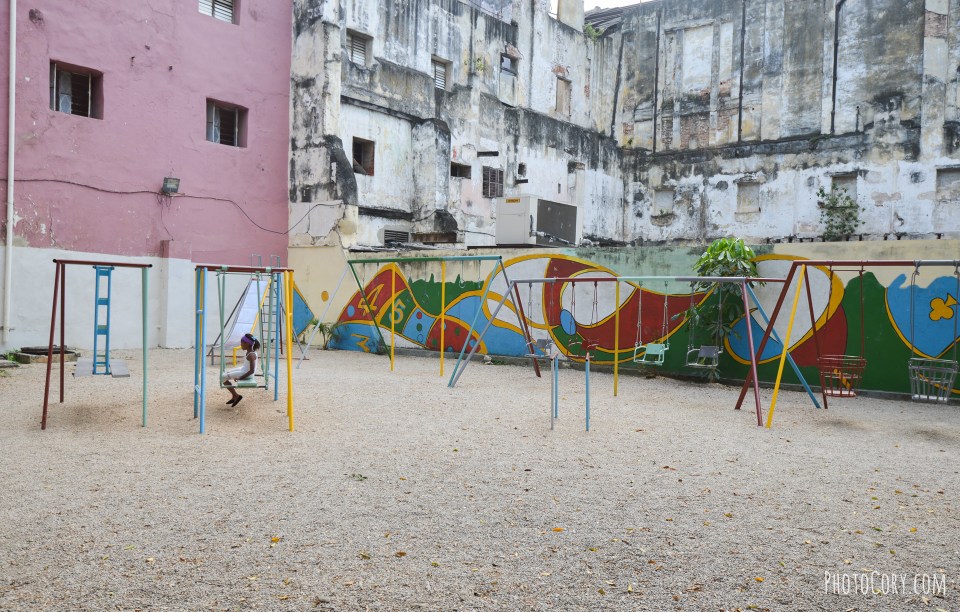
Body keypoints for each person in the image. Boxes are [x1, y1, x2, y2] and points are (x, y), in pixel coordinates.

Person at [223, 333, 259, 406]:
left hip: (247, 373)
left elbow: (251, 371)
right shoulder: (249, 351)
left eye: (241, 343)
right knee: (226, 373)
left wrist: (240, 378)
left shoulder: (251, 355)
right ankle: (234, 396)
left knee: (222, 377)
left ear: (247, 344)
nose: (241, 345)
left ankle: (236, 396)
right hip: (244, 369)